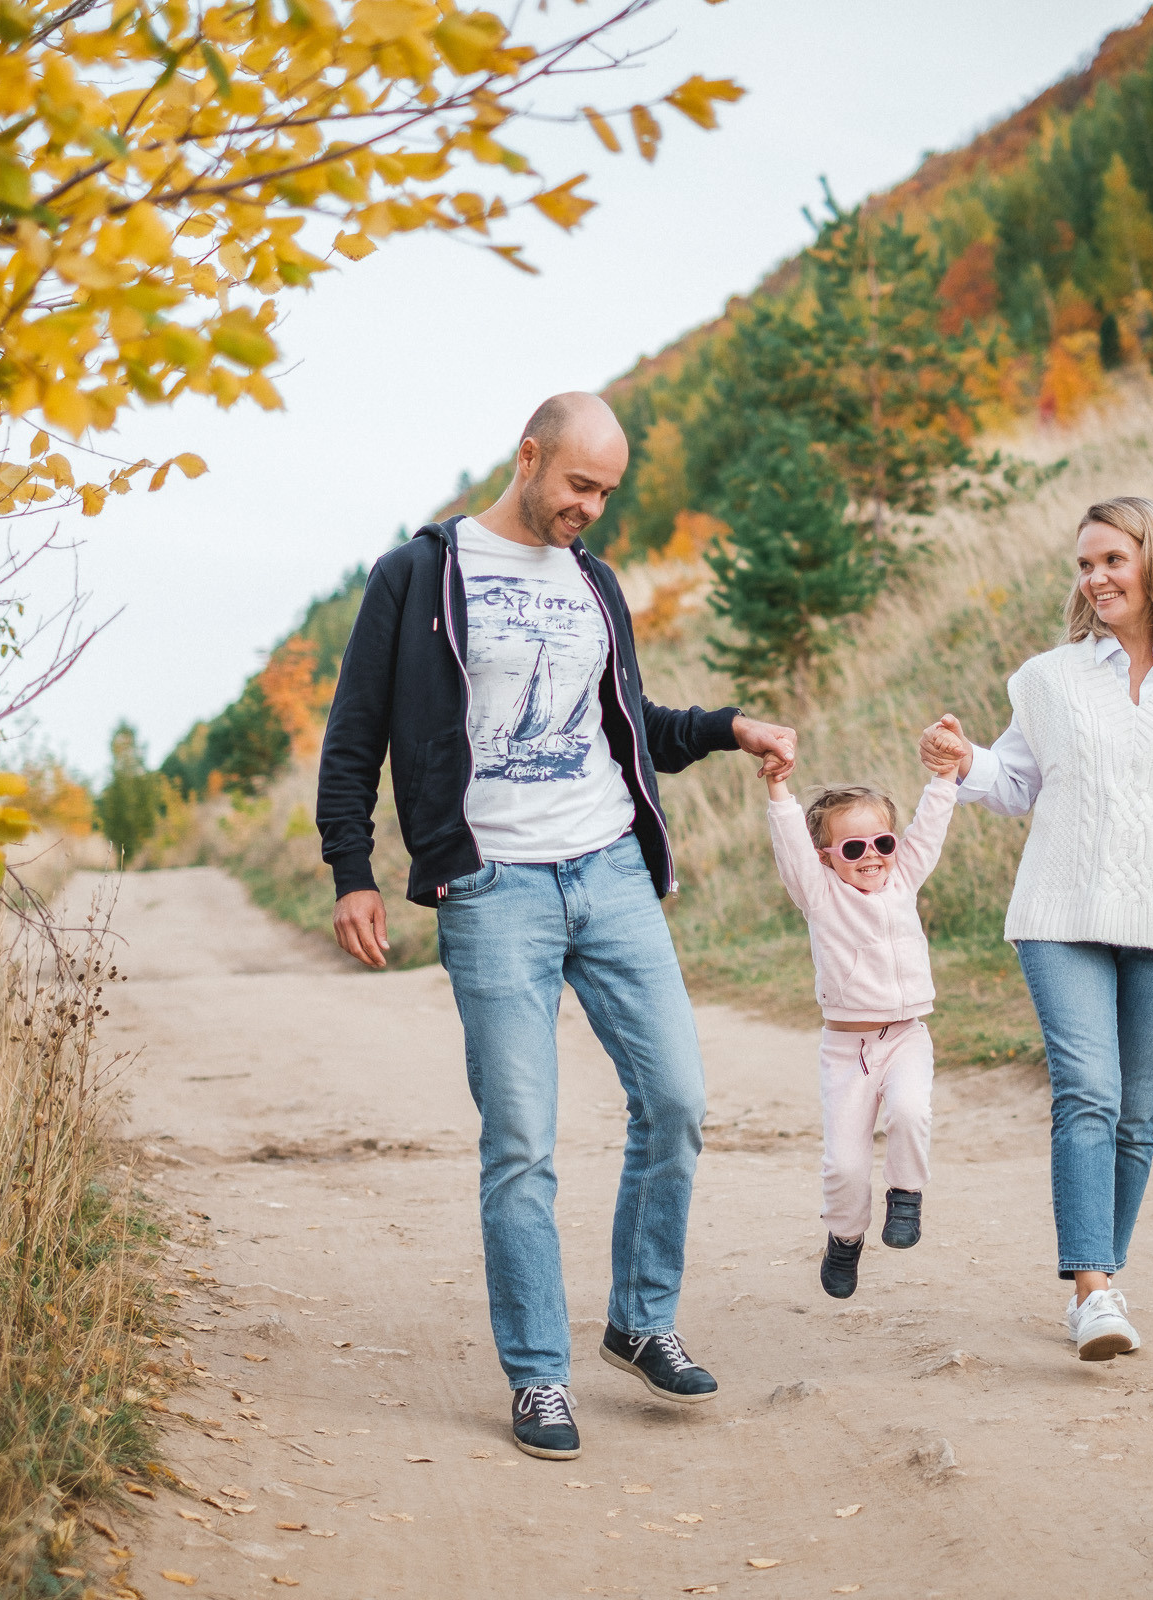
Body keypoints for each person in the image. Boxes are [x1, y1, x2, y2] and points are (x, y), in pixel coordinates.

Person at [316, 392, 798, 1460]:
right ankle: (540, 1373)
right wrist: (351, 867)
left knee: (676, 1098)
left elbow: (631, 726)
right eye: (580, 485)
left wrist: (727, 728)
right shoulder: (420, 574)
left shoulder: (595, 584)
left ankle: (640, 1318)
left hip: (611, 868)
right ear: (529, 456)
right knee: (522, 1144)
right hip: (496, 891)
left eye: (607, 493)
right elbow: (355, 735)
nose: (593, 508)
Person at [919, 495, 1153, 1362]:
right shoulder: (1051, 679)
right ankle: (1093, 1291)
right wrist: (963, 761)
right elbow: (1016, 781)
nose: (1094, 579)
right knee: (1087, 1093)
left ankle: (1104, 1277)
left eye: (1111, 562)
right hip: (1063, 912)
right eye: (1084, 565)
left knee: (1137, 1115)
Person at [763, 751, 960, 1301]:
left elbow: (929, 828)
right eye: (853, 848)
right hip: (846, 1050)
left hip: (906, 1037)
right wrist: (780, 791)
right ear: (827, 857)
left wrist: (944, 778)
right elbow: (790, 851)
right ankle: (845, 1239)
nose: (872, 856)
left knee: (910, 1110)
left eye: (882, 843)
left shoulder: (903, 879)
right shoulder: (820, 894)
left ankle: (906, 1196)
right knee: (846, 1165)